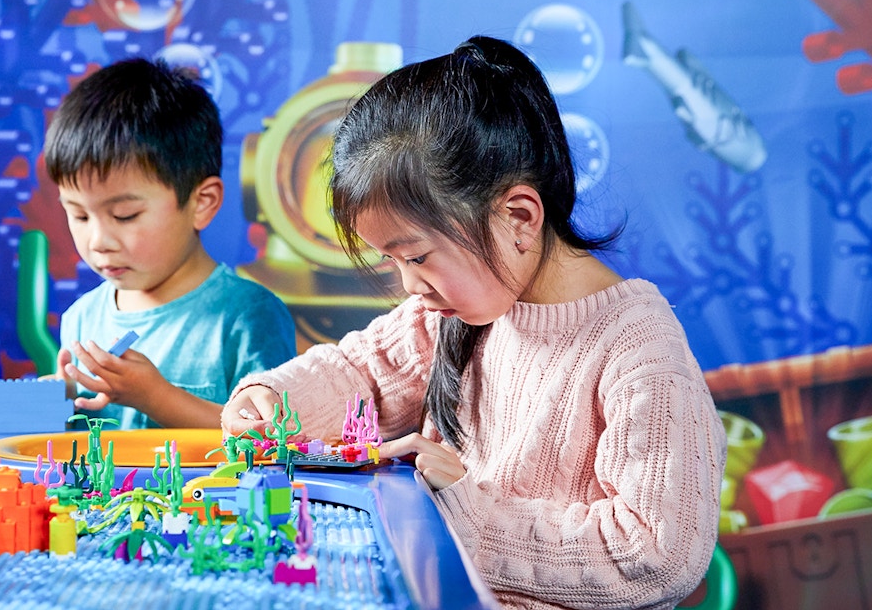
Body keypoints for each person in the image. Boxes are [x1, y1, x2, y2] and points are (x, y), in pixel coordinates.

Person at [222, 36, 727, 609]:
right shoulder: (450, 317)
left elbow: (657, 554)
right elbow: (361, 373)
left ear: (518, 218)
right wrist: (274, 400)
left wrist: (464, 509)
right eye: (391, 261)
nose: (408, 285)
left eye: (415, 256)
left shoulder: (637, 345)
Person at [44, 57, 296, 430]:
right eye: (79, 215)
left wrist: (156, 397)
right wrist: (56, 400)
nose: (97, 241)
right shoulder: (81, 318)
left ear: (201, 203)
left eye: (125, 215)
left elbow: (273, 438)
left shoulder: (248, 317)